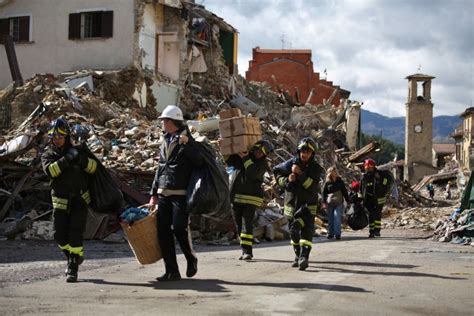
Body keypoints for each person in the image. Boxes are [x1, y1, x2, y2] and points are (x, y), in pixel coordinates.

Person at [149, 105, 203, 282]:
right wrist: (153, 193)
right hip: (163, 192)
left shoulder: (188, 139)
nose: (162, 123)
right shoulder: (165, 139)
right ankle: (172, 271)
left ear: (171, 122)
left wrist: (187, 145)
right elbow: (160, 167)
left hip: (180, 193)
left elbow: (199, 161)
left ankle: (190, 258)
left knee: (179, 228)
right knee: (163, 233)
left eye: (164, 120)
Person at [41, 117, 97, 282]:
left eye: (60, 137)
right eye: (55, 137)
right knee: (59, 236)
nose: (57, 140)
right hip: (60, 201)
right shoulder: (48, 154)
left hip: (80, 200)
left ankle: (73, 267)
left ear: (66, 137)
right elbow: (50, 172)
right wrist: (66, 159)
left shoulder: (79, 150)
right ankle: (74, 257)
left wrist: (80, 159)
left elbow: (94, 168)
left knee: (75, 234)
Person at [274, 137, 324, 270]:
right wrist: (286, 180)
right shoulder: (290, 164)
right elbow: (277, 173)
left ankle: (304, 257)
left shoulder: (316, 168)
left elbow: (311, 186)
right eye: (302, 151)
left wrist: (300, 173)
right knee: (293, 231)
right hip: (291, 203)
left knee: (307, 231)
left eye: (307, 151)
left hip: (308, 204)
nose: (304, 154)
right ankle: (297, 255)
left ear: (312, 153)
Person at [226, 140, 273, 260]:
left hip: (251, 198)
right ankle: (244, 250)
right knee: (239, 225)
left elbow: (252, 173)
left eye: (262, 153)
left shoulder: (262, 164)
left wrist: (246, 158)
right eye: (257, 150)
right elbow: (229, 161)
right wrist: (225, 146)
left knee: (247, 224)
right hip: (236, 197)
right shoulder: (244, 157)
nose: (259, 154)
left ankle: (248, 252)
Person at [360, 158, 393, 238]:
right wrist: (360, 198)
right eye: (367, 168)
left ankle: (377, 231)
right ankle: (371, 231)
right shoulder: (364, 177)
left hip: (379, 198)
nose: (368, 169)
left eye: (370, 167)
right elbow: (361, 188)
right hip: (369, 199)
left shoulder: (380, 174)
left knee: (377, 214)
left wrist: (380, 179)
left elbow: (386, 182)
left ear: (373, 167)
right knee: (371, 214)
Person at [322, 167, 350, 240]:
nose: (334, 172)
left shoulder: (340, 181)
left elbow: (344, 191)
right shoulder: (327, 182)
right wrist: (324, 202)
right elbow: (324, 193)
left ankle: (337, 234)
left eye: (335, 171)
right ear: (329, 173)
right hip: (330, 203)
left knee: (337, 217)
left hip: (339, 203)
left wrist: (348, 200)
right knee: (330, 219)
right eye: (332, 171)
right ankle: (330, 233)